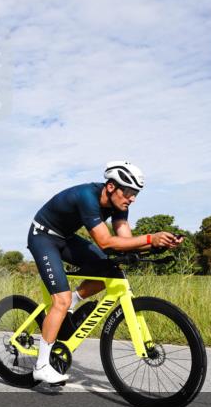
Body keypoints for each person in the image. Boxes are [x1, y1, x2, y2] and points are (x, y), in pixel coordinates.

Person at [27, 160, 183, 383]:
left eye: (136, 193)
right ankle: (41, 365)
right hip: (43, 236)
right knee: (59, 301)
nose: (132, 198)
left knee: (110, 269)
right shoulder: (87, 197)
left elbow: (126, 242)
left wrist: (159, 244)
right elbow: (107, 243)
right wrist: (150, 237)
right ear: (111, 187)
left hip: (66, 238)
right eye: (129, 192)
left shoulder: (120, 206)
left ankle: (74, 299)